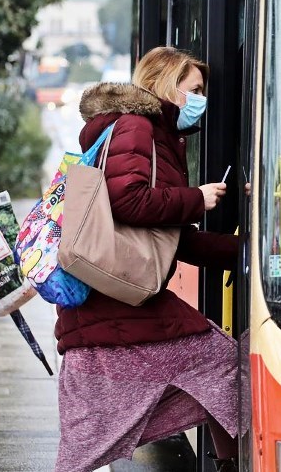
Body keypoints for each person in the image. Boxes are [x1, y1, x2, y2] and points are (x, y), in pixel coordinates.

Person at [53, 46, 241, 472]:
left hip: (114, 295)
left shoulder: (157, 137)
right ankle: (229, 465)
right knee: (223, 365)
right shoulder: (138, 127)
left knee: (217, 369)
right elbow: (128, 201)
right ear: (167, 85)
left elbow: (173, 240)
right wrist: (197, 198)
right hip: (116, 296)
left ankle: (228, 462)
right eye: (194, 89)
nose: (200, 100)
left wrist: (245, 253)